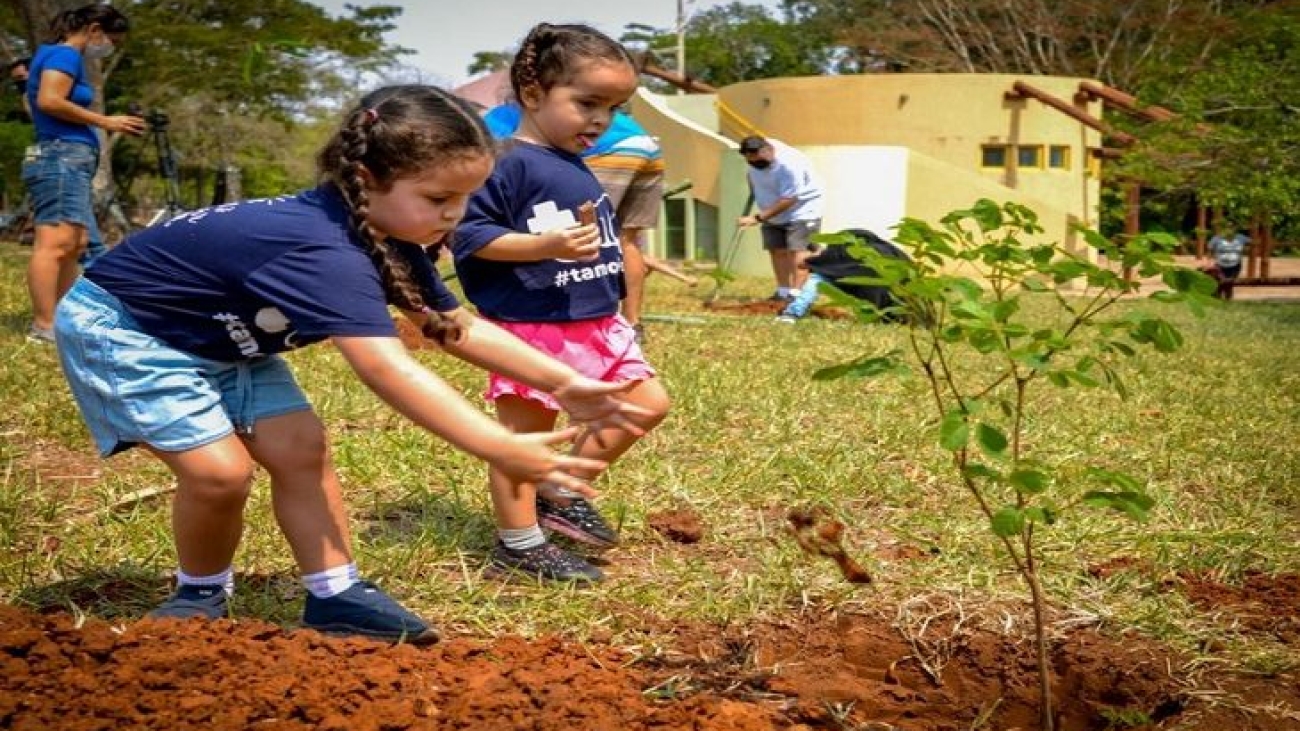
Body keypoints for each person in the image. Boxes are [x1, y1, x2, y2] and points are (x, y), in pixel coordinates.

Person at [52, 84, 649, 643]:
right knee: (220, 474)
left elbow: (454, 328)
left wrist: (565, 382)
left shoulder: (384, 237)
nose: (457, 215)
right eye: (440, 198)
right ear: (367, 179)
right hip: (134, 331)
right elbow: (388, 369)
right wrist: (499, 445)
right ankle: (199, 594)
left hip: (224, 338)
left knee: (301, 450)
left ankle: (335, 593)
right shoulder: (323, 249)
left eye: (466, 198)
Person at [453, 23, 672, 583]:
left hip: (594, 324)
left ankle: (556, 486)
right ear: (533, 93)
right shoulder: (506, 163)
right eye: (587, 103)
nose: (601, 120)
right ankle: (520, 544)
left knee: (647, 402)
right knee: (525, 438)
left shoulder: (573, 162)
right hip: (532, 326)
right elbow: (469, 237)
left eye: (614, 107)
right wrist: (543, 245)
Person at [481, 104, 696, 343]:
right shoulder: (546, 106)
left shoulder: (498, 121)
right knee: (626, 240)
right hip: (646, 146)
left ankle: (577, 316)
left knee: (585, 233)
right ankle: (631, 324)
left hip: (605, 150)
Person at [21, 4, 143, 344]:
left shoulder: (53, 56)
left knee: (75, 243)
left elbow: (33, 104)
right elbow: (48, 100)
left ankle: (61, 320)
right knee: (56, 243)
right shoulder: (66, 56)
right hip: (60, 157)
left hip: (66, 157)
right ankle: (44, 325)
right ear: (93, 30)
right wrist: (106, 121)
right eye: (111, 40)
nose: (110, 48)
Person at [735, 135, 825, 302]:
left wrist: (758, 217)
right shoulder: (755, 159)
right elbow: (753, 174)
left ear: (768, 150)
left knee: (798, 252)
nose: (754, 162)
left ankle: (797, 295)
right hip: (772, 211)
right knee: (777, 250)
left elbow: (790, 198)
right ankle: (783, 292)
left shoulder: (789, 165)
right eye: (750, 159)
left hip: (802, 210)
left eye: (758, 158)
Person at [776, 229, 910, 323]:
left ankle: (792, 314)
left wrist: (812, 262)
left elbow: (805, 264)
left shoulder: (836, 254)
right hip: (901, 308)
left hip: (872, 294)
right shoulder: (891, 251)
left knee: (817, 279)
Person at [1206, 223, 1251, 300]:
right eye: (1227, 227)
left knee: (1229, 283)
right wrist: (1208, 262)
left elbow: (1255, 243)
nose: (1229, 229)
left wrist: (1247, 250)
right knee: (1220, 282)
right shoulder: (1216, 238)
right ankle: (1217, 296)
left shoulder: (1241, 238)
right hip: (1220, 264)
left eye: (1232, 227)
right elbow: (1210, 251)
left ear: (1235, 228)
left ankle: (1228, 299)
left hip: (1235, 265)